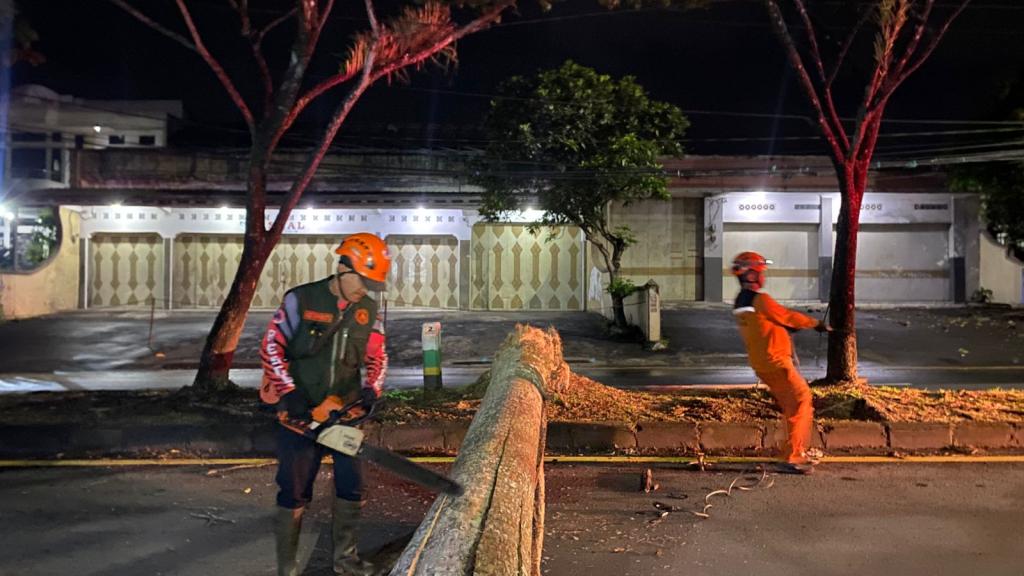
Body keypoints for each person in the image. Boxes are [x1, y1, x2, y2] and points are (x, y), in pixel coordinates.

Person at [259, 233, 391, 576]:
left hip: (344, 413)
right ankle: (287, 568)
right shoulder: (300, 300)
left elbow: (378, 356)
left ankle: (345, 561)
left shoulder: (369, 311)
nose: (366, 290)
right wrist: (288, 391)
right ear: (343, 270)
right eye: (362, 281)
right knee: (294, 490)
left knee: (352, 485)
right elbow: (271, 345)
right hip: (300, 415)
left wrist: (372, 389)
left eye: (372, 284)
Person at [730, 251, 831, 474]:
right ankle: (793, 456)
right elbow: (786, 316)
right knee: (801, 399)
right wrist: (816, 324)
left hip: (762, 364)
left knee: (791, 407)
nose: (763, 276)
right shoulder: (761, 300)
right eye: (761, 272)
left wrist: (783, 328)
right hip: (776, 362)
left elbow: (766, 324)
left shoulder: (741, 302)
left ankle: (792, 450)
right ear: (752, 275)